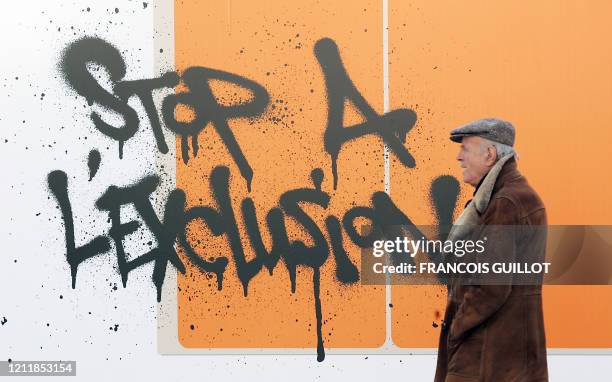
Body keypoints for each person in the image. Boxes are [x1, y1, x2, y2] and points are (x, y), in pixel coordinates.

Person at [434, 118, 548, 382]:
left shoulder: (506, 202)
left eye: (465, 148)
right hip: (501, 354)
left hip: (487, 356)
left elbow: (491, 285)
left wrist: (457, 326)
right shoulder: (507, 197)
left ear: (490, 154)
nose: (458, 157)